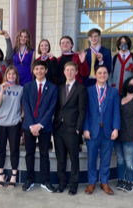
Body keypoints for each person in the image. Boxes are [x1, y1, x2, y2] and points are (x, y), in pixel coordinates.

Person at [21, 60, 57, 193]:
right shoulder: (27, 86)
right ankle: (29, 180)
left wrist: (40, 125)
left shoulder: (52, 88)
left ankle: (45, 181)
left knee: (44, 154)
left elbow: (51, 108)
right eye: (37, 69)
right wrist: (32, 125)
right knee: (29, 154)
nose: (39, 71)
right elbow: (27, 106)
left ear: (46, 70)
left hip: (45, 127)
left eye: (42, 69)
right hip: (29, 126)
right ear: (33, 71)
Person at [83, 65, 120, 195]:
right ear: (95, 75)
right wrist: (85, 129)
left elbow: (116, 111)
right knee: (92, 158)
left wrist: (116, 128)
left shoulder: (114, 92)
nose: (102, 75)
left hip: (108, 131)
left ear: (108, 75)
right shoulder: (88, 90)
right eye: (100, 73)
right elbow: (85, 111)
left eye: (105, 73)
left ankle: (104, 182)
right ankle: (92, 183)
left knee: (106, 158)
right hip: (92, 131)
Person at [53, 62, 88, 195]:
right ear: (64, 72)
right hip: (58, 128)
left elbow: (82, 111)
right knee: (60, 158)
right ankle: (62, 183)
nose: (69, 72)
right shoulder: (59, 87)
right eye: (67, 70)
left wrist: (79, 128)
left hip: (73, 129)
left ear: (76, 72)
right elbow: (57, 107)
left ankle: (74, 184)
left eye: (72, 70)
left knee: (74, 158)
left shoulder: (81, 89)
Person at [0, 66, 23, 188]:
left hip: (14, 123)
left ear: (16, 76)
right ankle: (1, 176)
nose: (11, 76)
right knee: (0, 149)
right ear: (6, 75)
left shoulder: (21, 89)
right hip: (0, 123)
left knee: (14, 149)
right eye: (9, 74)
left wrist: (20, 117)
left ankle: (13, 176)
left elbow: (24, 106)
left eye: (13, 74)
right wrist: (2, 90)